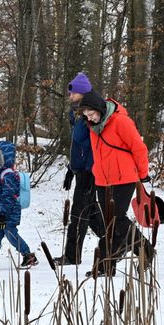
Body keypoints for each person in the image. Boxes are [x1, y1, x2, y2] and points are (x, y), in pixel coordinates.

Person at [75, 89, 155, 277]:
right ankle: (107, 264)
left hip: (124, 178)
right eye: (86, 115)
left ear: (100, 108)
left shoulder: (121, 121)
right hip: (102, 180)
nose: (90, 118)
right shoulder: (93, 128)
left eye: (91, 114)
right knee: (109, 223)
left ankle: (145, 250)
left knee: (118, 218)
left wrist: (143, 174)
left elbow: (139, 148)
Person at [56, 72, 105, 266]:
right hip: (81, 169)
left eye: (73, 93)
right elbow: (77, 146)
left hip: (89, 171)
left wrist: (91, 171)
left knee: (78, 213)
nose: (70, 96)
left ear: (82, 93)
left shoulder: (90, 113)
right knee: (90, 212)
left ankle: (72, 255)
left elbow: (94, 145)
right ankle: (123, 241)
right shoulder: (77, 113)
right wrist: (71, 168)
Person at [0, 138, 37, 270]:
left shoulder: (8, 175)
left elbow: (9, 197)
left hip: (8, 214)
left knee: (11, 234)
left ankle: (28, 255)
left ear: (3, 158)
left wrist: (2, 214)